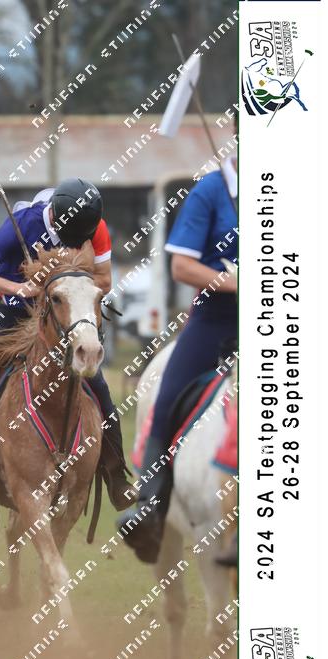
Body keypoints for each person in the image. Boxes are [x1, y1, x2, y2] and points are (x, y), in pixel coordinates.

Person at [0, 178, 133, 511]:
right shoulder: (23, 223)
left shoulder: (95, 227)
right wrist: (21, 289)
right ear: (54, 217)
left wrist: (63, 284)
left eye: (81, 239)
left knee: (100, 389)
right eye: (71, 237)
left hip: (65, 320)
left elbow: (103, 280)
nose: (75, 244)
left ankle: (117, 478)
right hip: (15, 316)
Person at [117, 153, 238, 564]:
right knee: (166, 398)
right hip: (217, 320)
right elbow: (182, 267)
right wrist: (237, 282)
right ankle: (150, 508)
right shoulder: (211, 191)